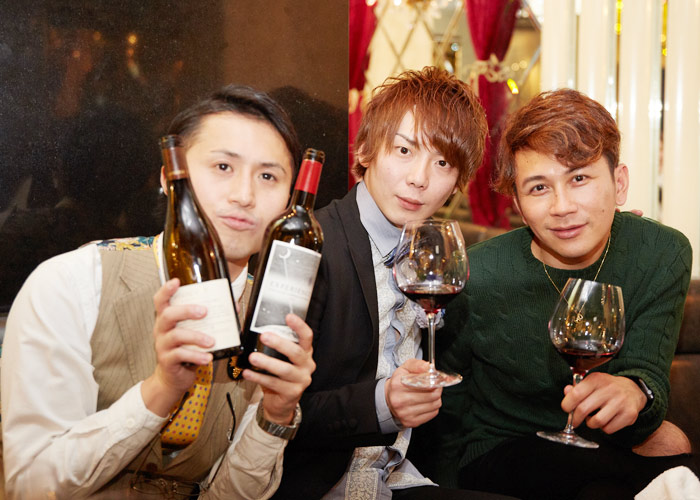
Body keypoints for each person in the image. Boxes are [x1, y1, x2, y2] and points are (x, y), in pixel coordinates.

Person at [1, 85, 316, 499]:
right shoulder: (72, 282)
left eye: (268, 176)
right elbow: (30, 484)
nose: (244, 195)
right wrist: (161, 390)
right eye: (223, 166)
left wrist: (275, 415)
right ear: (171, 178)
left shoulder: (269, 319)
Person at [426, 88, 694, 499]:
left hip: (604, 445)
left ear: (619, 183)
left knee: (665, 447)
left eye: (579, 178)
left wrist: (636, 392)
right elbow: (447, 411)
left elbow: (648, 381)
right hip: (502, 448)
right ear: (518, 203)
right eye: (538, 188)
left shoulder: (662, 253)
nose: (562, 207)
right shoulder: (477, 274)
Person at [272, 67, 512, 500]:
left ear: (457, 183)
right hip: (319, 485)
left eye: (442, 163)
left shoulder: (434, 256)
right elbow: (269, 412)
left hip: (401, 478)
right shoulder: (307, 246)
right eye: (404, 149)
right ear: (365, 149)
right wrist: (382, 403)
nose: (420, 178)